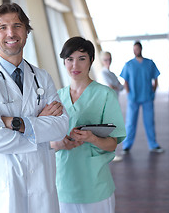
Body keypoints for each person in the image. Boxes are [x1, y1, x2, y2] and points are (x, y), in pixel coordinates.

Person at [0, 3, 69, 213]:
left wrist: (14, 123)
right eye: (2, 27)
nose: (11, 33)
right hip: (4, 189)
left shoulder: (42, 77)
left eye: (17, 25)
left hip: (41, 186)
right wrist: (39, 130)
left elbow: (61, 127)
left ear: (27, 32)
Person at [51, 37, 126, 213]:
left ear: (91, 60)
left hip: (95, 186)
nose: (75, 65)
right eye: (70, 59)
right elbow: (45, 141)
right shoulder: (55, 97)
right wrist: (57, 144)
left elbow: (112, 144)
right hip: (63, 185)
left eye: (81, 58)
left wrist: (92, 138)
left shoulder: (105, 95)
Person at [120, 41, 163, 154]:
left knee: (149, 122)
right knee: (130, 123)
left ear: (141, 49)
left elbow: (156, 79)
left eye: (137, 49)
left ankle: (153, 145)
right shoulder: (128, 64)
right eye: (134, 49)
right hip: (133, 98)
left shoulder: (149, 63)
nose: (135, 51)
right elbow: (126, 81)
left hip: (147, 97)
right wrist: (129, 94)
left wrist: (152, 92)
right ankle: (126, 146)